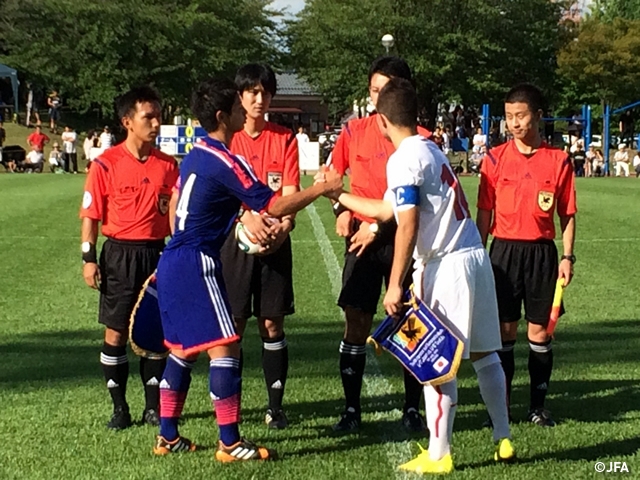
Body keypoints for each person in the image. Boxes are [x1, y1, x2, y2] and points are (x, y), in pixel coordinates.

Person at [327, 77, 514, 473]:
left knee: (436, 362)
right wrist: (336, 195)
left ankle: (439, 453)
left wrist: (395, 284)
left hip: (444, 264)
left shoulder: (402, 159)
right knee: (484, 354)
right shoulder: (431, 149)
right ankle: (503, 435)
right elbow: (387, 210)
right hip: (474, 257)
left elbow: (406, 225)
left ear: (381, 120)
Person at [153, 77, 342, 459]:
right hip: (198, 261)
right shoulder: (226, 159)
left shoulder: (195, 152)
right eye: (239, 107)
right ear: (224, 115)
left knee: (182, 349)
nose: (246, 110)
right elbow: (272, 205)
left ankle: (168, 436)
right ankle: (230, 442)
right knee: (226, 347)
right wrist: (322, 189)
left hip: (173, 258)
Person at [329, 56, 429, 432]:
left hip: (401, 238)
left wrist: (375, 225)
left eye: (382, 90)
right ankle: (351, 410)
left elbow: (410, 207)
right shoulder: (353, 131)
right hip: (361, 242)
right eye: (372, 90)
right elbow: (331, 178)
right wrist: (340, 208)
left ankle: (412, 409)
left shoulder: (419, 140)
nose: (375, 98)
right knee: (356, 321)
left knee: (409, 322)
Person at [79, 86, 179, 430]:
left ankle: (153, 407)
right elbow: (91, 215)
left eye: (158, 116)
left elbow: (177, 214)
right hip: (119, 254)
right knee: (116, 332)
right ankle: (119, 408)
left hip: (157, 253)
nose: (155, 123)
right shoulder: (105, 164)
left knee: (154, 332)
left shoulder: (169, 166)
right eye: (147, 116)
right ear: (127, 122)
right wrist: (89, 258)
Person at [477, 84, 577, 427]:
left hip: (541, 255)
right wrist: (477, 253)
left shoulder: (559, 160)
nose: (514, 123)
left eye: (520, 116)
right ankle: (500, 408)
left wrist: (567, 257)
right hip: (502, 253)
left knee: (539, 334)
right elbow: (484, 212)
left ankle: (537, 407)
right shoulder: (494, 158)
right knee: (504, 332)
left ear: (536, 115)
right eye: (508, 117)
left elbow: (567, 214)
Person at [218, 64, 300, 429]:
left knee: (271, 323)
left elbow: (290, 195)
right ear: (240, 96)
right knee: (232, 324)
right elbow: (217, 195)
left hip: (275, 243)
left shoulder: (284, 138)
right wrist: (242, 221)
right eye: (252, 91)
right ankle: (228, 404)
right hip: (233, 243)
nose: (259, 98)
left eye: (265, 92)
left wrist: (282, 227)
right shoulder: (227, 140)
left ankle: (275, 405)